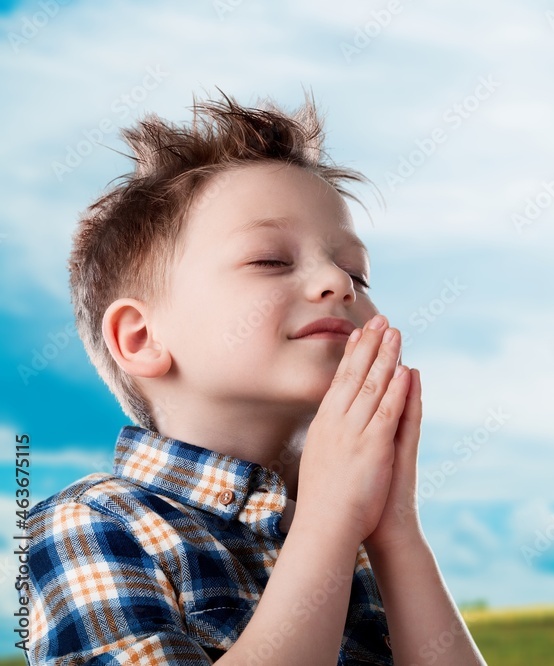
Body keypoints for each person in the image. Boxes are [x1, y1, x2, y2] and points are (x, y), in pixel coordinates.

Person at [24, 90, 488, 665]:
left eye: (356, 273)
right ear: (141, 338)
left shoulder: (360, 548)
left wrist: (397, 533)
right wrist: (329, 522)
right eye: (270, 259)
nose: (338, 284)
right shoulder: (93, 521)